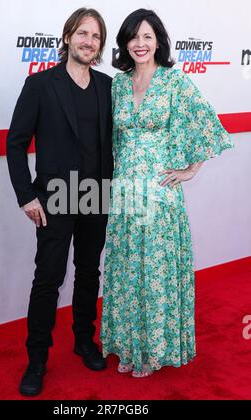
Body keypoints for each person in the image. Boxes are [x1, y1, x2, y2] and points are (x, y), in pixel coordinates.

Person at [101, 9, 234, 378]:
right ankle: (129, 346)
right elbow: (114, 140)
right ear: (125, 43)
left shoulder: (175, 82)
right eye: (133, 37)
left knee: (154, 272)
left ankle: (154, 350)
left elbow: (208, 123)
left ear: (158, 40)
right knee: (128, 269)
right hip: (126, 194)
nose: (140, 44)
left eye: (147, 36)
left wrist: (190, 170)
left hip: (160, 195)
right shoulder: (117, 84)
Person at [7, 8, 113, 396]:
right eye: (82, 33)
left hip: (97, 195)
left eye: (96, 36)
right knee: (48, 279)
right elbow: (15, 143)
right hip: (54, 198)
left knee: (89, 273)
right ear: (68, 37)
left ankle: (85, 340)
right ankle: (36, 360)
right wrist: (26, 195)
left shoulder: (107, 86)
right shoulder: (40, 85)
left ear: (100, 45)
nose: (89, 41)